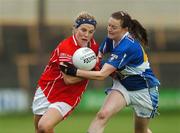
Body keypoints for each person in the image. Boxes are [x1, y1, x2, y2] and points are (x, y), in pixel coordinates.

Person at [60, 11, 160, 133]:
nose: (110, 29)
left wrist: (74, 71)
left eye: (114, 27)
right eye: (109, 25)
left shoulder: (127, 46)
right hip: (123, 85)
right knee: (102, 115)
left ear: (125, 29)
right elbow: (97, 60)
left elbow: (102, 75)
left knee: (140, 131)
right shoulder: (110, 39)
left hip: (144, 90)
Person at [32, 11, 99, 133]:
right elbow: (68, 79)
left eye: (91, 32)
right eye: (83, 30)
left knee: (44, 126)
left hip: (68, 96)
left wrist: (86, 72)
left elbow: (76, 79)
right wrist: (92, 74)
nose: (86, 35)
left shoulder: (94, 47)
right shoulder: (66, 47)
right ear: (74, 28)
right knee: (39, 130)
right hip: (46, 88)